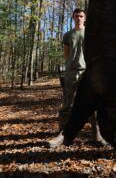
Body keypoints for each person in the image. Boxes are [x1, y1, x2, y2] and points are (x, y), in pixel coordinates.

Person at [48, 8, 105, 148]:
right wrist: (71, 66)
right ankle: (64, 134)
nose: (79, 18)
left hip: (88, 72)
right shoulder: (68, 35)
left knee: (93, 103)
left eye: (81, 16)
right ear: (73, 18)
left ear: (84, 18)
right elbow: (67, 55)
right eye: (76, 16)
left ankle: (97, 134)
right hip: (72, 72)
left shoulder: (91, 34)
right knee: (68, 102)